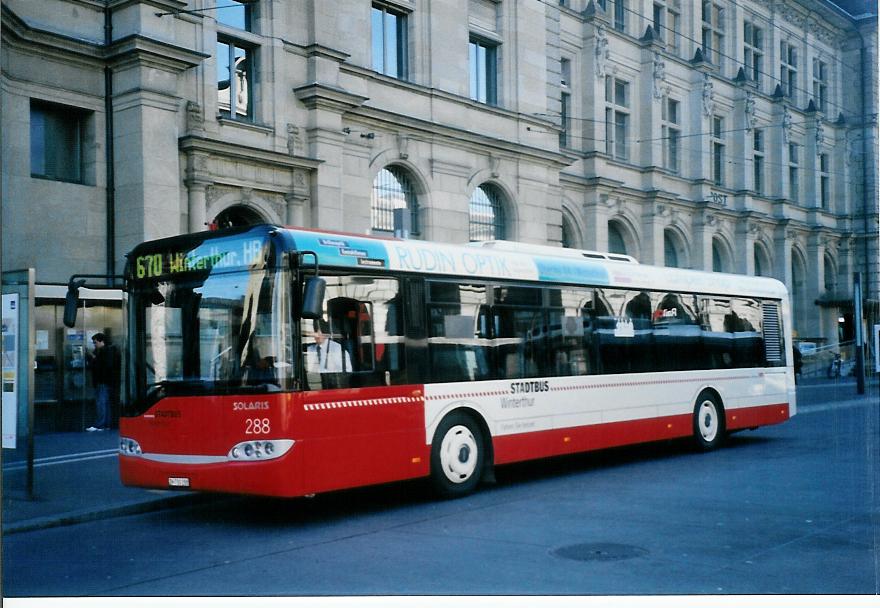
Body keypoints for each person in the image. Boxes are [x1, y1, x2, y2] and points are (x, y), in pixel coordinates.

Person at [86, 332, 119, 432]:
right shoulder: (104, 351)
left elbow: (102, 366)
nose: (94, 344)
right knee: (105, 403)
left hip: (103, 381)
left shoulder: (105, 352)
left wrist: (92, 357)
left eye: (95, 342)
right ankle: (106, 424)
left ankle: (100, 424)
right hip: (106, 381)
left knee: (101, 403)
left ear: (102, 342)